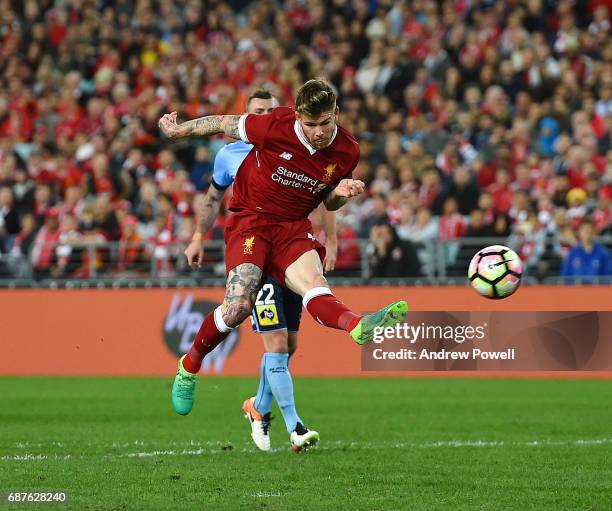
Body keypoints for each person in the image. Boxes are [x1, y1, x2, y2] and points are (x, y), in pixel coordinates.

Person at [159, 79, 408, 452]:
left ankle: (358, 324)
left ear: (336, 114)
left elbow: (326, 197)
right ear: (298, 117)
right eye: (311, 124)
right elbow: (220, 123)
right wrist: (178, 130)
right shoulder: (274, 125)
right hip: (251, 221)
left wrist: (339, 194)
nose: (319, 132)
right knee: (238, 306)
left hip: (292, 227)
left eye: (325, 122)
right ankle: (190, 364)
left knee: (315, 285)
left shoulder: (347, 151)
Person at [198, 88, 338, 452]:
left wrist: (331, 241)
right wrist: (198, 235)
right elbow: (214, 198)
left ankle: (258, 408)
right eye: (258, 111)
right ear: (248, 117)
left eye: (271, 111)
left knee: (289, 345)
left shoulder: (295, 148)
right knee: (276, 344)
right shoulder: (230, 155)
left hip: (293, 248)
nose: (266, 116)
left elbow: (326, 197)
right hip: (256, 250)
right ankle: (295, 427)